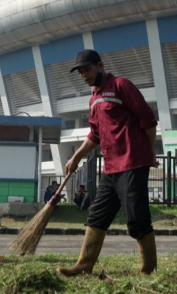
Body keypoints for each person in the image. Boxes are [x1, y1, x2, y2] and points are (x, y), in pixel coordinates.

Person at [56, 49, 158, 276]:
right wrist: (75, 157)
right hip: (111, 168)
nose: (84, 76)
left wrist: (149, 152)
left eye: (88, 70)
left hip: (133, 162)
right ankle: (84, 265)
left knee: (136, 218)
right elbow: (95, 135)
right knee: (96, 215)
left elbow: (148, 120)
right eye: (81, 73)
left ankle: (148, 270)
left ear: (100, 66)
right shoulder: (93, 99)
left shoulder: (122, 86)